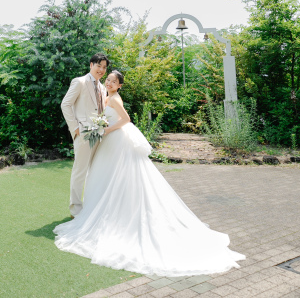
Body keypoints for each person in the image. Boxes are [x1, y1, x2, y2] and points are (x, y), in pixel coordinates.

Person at [54, 70, 245, 276]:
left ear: (119, 85)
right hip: (109, 141)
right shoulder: (106, 96)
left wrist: (106, 129)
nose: (109, 83)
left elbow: (126, 119)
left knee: (119, 176)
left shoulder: (115, 99)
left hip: (117, 140)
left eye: (113, 81)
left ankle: (118, 214)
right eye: (108, 80)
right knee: (108, 176)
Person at [60, 53, 109, 218]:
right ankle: (75, 209)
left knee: (94, 171)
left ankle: (89, 205)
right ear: (91, 65)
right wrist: (75, 129)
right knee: (80, 171)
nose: (101, 70)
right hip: (83, 134)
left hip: (99, 135)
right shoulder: (79, 82)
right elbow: (65, 104)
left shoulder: (103, 88)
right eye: (99, 66)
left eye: (104, 67)